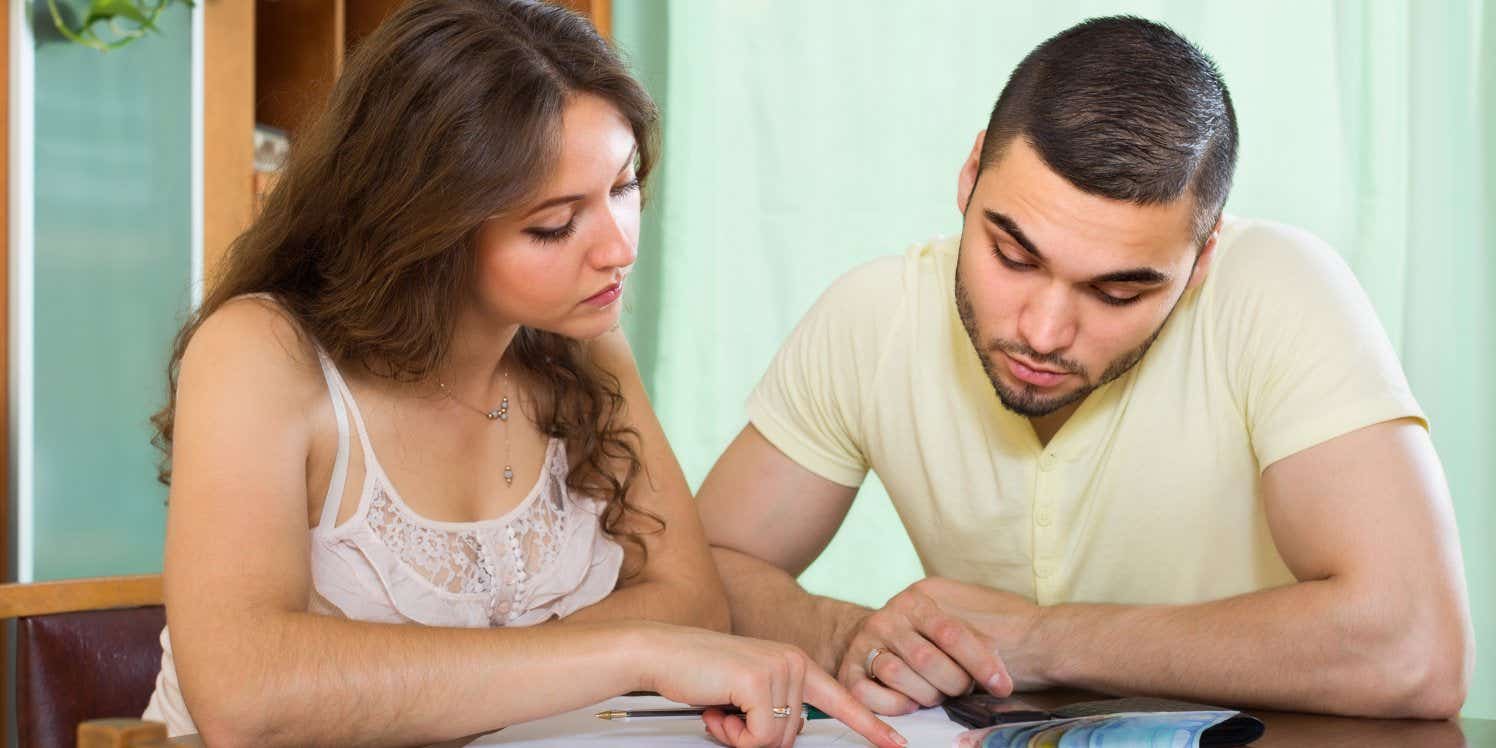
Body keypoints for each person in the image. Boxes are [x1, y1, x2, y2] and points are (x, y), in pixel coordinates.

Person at [142, 2, 903, 746]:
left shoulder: (578, 344)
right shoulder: (262, 353)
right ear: (426, 229)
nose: (617, 248)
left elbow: (692, 604)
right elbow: (246, 696)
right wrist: (631, 649)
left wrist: (406, 688)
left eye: (624, 186)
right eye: (554, 224)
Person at [697, 15, 1473, 721]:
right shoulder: (874, 317)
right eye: (1012, 254)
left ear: (1201, 258)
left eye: (1117, 290)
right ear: (969, 177)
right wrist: (860, 635)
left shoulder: (1278, 289)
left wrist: (1042, 640)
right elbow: (700, 573)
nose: (1042, 331)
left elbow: (1417, 650)